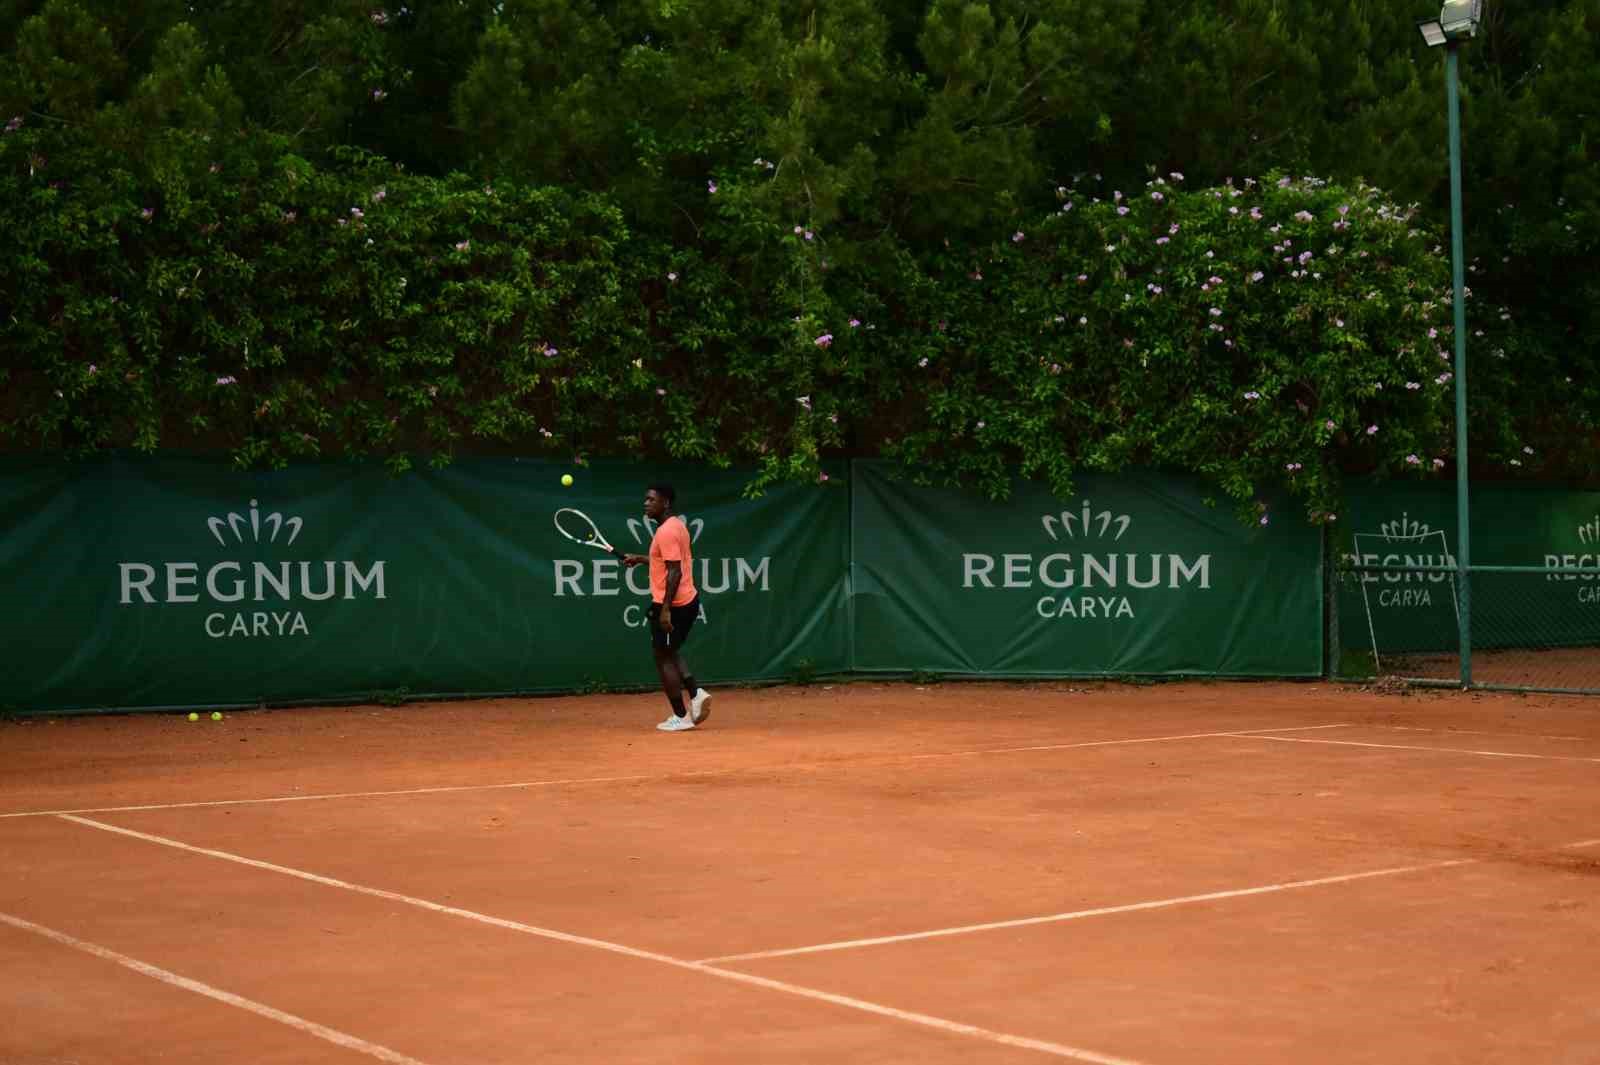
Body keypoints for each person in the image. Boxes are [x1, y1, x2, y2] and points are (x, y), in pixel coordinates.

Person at [617, 483, 711, 731]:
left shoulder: (666, 532)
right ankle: (696, 693)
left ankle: (681, 717)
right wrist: (641, 559)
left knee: (662, 658)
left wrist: (666, 609)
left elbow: (675, 571)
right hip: (688, 600)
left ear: (666, 503)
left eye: (651, 499)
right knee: (670, 651)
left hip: (673, 604)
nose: (645, 503)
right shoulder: (676, 526)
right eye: (645, 499)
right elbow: (667, 561)